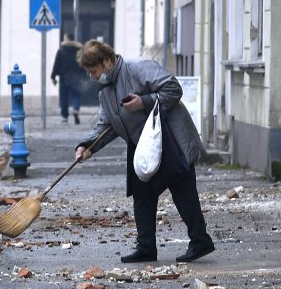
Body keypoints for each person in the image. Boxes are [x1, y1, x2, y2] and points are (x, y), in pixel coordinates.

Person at [74, 40, 215, 263]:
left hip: (170, 138)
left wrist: (145, 101)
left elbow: (173, 89)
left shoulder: (138, 68)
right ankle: (146, 247)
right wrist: (87, 146)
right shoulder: (105, 91)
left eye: (94, 71)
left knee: (182, 189)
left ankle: (200, 241)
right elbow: (107, 125)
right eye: (89, 72)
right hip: (142, 145)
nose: (92, 77)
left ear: (107, 61)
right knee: (142, 194)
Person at [50, 32, 85, 124]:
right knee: (76, 94)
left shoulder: (61, 51)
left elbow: (56, 64)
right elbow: (83, 63)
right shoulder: (79, 50)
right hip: (76, 76)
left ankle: (64, 117)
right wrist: (84, 74)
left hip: (64, 77)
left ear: (66, 39)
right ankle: (76, 109)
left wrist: (53, 77)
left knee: (64, 97)